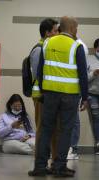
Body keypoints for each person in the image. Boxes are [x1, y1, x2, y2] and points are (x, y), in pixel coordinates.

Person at [28, 16, 88, 177]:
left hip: (50, 94)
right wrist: (86, 97)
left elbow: (40, 70)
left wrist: (42, 90)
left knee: (46, 129)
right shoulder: (77, 46)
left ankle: (40, 166)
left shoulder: (48, 43)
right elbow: (83, 74)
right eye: (76, 28)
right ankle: (59, 166)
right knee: (65, 130)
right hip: (70, 95)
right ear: (73, 28)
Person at [29, 18, 59, 159]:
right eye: (55, 30)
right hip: (41, 95)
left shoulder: (49, 48)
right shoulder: (39, 49)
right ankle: (39, 162)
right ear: (47, 33)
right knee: (42, 128)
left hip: (50, 95)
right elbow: (37, 74)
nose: (57, 33)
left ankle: (54, 160)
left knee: (53, 129)